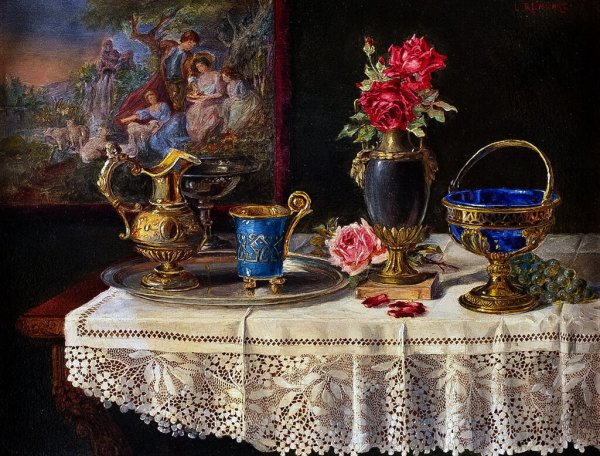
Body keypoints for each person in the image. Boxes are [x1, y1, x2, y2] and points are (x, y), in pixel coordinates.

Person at [114, 30, 200, 124]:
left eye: (193, 45)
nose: (191, 46)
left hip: (178, 83)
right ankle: (128, 119)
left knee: (175, 105)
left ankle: (171, 124)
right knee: (143, 96)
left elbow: (190, 72)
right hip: (162, 79)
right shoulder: (170, 46)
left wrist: (193, 84)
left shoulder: (189, 57)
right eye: (190, 43)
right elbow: (156, 46)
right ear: (184, 40)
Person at [120, 90, 189, 162]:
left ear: (156, 97)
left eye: (153, 97)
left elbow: (166, 117)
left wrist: (158, 126)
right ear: (148, 100)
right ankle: (169, 154)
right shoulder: (149, 109)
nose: (152, 99)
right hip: (157, 125)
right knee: (151, 139)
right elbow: (138, 115)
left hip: (167, 122)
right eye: (150, 99)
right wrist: (124, 120)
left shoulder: (163, 104)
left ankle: (174, 152)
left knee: (163, 134)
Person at [185, 53, 225, 145]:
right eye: (198, 67)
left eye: (201, 66)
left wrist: (206, 97)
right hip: (201, 103)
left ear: (207, 64)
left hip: (214, 103)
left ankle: (204, 141)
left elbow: (220, 93)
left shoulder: (216, 75)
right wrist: (195, 95)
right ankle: (198, 142)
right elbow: (199, 93)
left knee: (208, 117)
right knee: (191, 114)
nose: (200, 69)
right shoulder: (200, 78)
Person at [220, 66, 265, 135]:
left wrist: (235, 99)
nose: (224, 79)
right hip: (235, 100)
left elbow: (243, 94)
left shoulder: (239, 82)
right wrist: (232, 100)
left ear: (230, 76)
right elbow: (230, 96)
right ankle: (226, 126)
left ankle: (233, 127)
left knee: (235, 107)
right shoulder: (228, 85)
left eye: (225, 77)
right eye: (223, 77)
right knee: (225, 104)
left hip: (244, 99)